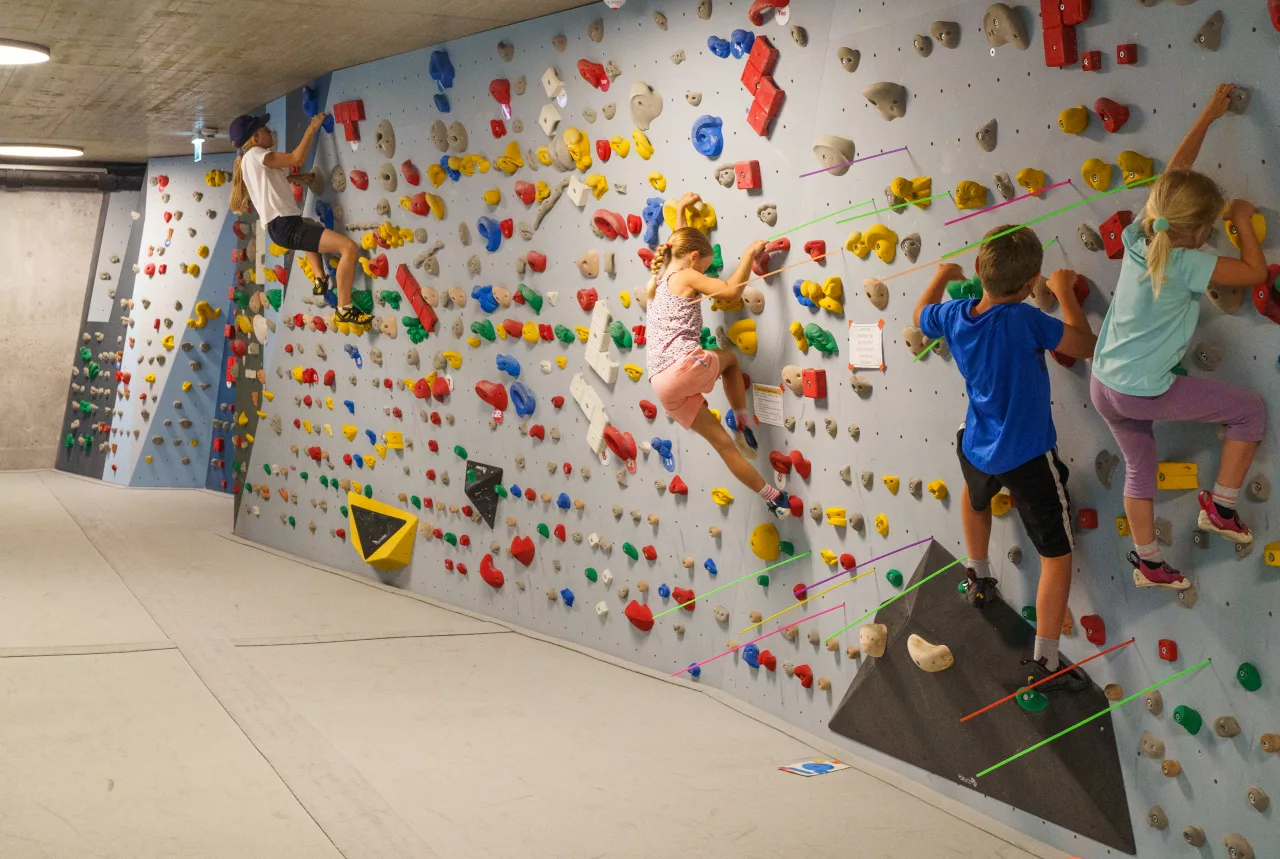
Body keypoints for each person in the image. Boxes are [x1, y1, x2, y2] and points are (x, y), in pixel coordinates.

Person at [1090, 83, 1267, 590]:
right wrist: (1240, 221)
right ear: (1196, 233)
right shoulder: (1190, 262)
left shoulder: (1139, 238)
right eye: (1210, 227)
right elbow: (1255, 272)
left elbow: (1172, 179)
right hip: (1139, 390)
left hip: (1104, 386)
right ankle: (1223, 506)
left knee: (1138, 467)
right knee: (1248, 409)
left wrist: (1209, 115)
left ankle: (1148, 561)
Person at [915, 225, 1096, 692]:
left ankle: (978, 573)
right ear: (1031, 283)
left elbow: (920, 317)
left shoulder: (956, 314)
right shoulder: (1025, 320)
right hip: (1028, 457)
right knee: (1056, 555)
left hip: (976, 443)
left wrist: (941, 275)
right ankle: (1047, 662)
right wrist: (1064, 294)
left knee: (975, 499)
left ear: (978, 270)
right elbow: (1084, 345)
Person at [645, 192, 793, 519]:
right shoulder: (687, 275)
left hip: (660, 384)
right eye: (706, 265)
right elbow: (730, 292)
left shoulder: (665, 270)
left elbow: (677, 240)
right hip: (682, 366)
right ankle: (742, 419)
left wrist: (682, 209)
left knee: (722, 445)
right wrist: (747, 256)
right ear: (694, 258)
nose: (706, 271)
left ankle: (773, 497)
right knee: (729, 360)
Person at [228, 112, 369, 327]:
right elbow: (297, 158)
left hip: (281, 227)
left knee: (310, 228)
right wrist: (312, 128)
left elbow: (268, 182)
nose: (269, 132)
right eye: (265, 130)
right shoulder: (257, 154)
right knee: (349, 248)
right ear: (255, 138)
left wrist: (295, 179)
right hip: (285, 226)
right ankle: (344, 308)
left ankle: (320, 279)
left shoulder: (248, 161)